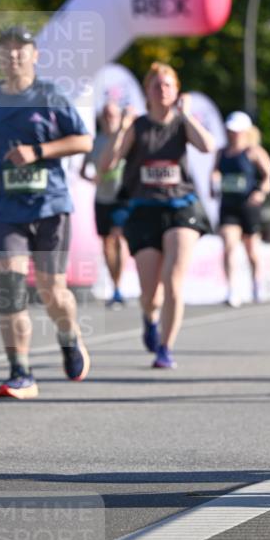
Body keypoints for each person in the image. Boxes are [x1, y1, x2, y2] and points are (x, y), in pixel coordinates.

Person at [0, 24, 93, 398]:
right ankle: (21, 372)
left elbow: (84, 139)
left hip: (49, 204)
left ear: (34, 55)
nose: (13, 55)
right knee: (10, 288)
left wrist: (38, 153)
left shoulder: (51, 96)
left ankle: (69, 338)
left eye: (21, 49)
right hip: (3, 206)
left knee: (53, 290)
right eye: (6, 49)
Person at [101, 62, 216, 369]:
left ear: (176, 91)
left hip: (181, 207)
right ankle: (149, 318)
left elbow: (207, 146)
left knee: (173, 280)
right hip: (144, 210)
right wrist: (122, 129)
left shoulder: (181, 123)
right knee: (150, 293)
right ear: (146, 92)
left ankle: (166, 347)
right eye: (156, 86)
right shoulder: (137, 126)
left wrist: (187, 114)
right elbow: (107, 165)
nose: (162, 90)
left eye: (168, 85)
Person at [213, 111, 270, 307]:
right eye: (230, 131)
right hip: (228, 206)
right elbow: (214, 173)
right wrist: (212, 185)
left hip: (248, 206)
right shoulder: (221, 152)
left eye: (237, 131)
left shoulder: (253, 152)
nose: (233, 134)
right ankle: (232, 289)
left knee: (251, 250)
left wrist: (260, 192)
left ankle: (256, 285)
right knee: (229, 246)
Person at [82, 100, 132, 307]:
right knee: (107, 244)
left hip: (122, 198)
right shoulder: (96, 143)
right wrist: (91, 179)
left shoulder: (127, 139)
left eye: (113, 114)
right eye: (106, 115)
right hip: (102, 199)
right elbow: (83, 171)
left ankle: (120, 285)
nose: (109, 118)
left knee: (119, 238)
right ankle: (116, 288)